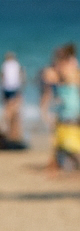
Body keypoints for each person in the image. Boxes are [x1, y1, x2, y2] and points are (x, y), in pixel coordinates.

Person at [46, 42, 80, 174]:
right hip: (69, 110)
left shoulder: (69, 70)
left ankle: (61, 163)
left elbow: (50, 77)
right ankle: (61, 162)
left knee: (68, 140)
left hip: (69, 111)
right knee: (65, 140)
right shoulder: (72, 70)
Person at [0, 51, 26, 143]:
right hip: (15, 88)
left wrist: (1, 90)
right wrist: (21, 88)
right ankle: (14, 134)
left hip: (6, 89)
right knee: (15, 110)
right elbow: (22, 76)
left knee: (8, 110)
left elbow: (2, 77)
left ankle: (8, 131)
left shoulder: (4, 65)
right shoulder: (16, 64)